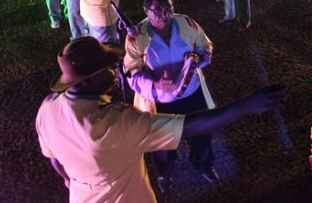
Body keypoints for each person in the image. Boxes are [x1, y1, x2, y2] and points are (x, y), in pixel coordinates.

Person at [36, 36, 285, 202]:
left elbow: (54, 159)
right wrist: (247, 105)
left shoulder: (47, 110)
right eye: (107, 69)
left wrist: (70, 179)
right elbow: (188, 126)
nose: (114, 72)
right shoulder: (115, 125)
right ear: (87, 79)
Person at [123, 0, 217, 191]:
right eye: (157, 10)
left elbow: (205, 45)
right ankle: (164, 174)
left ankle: (204, 165)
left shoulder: (187, 23)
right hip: (160, 101)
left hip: (192, 93)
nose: (164, 14)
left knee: (202, 134)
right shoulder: (136, 37)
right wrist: (155, 84)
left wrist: (198, 59)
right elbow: (131, 72)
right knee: (164, 145)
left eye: (168, 8)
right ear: (146, 11)